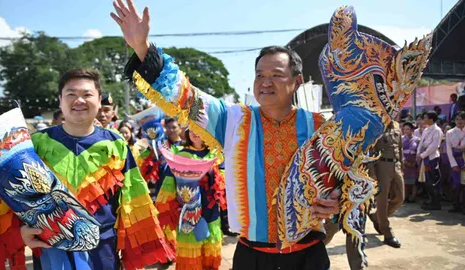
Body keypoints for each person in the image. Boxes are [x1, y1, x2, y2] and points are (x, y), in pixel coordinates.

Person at [110, 1, 339, 269]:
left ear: (297, 82)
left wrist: (338, 203)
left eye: (276, 75)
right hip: (251, 255)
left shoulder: (322, 127)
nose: (266, 82)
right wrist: (142, 47)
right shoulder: (233, 120)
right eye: (260, 75)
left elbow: (349, 179)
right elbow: (184, 95)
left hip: (307, 254)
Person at [20, 68, 174, 269]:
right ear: (60, 100)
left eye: (87, 94)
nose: (79, 100)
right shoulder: (37, 144)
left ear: (99, 100)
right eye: (71, 94)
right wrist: (21, 229)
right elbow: (15, 194)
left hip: (103, 249)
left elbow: (135, 198)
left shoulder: (116, 145)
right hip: (50, 246)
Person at [155, 129, 226, 269]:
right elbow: (169, 183)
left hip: (211, 210)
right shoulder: (180, 156)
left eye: (200, 129)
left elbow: (225, 182)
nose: (195, 132)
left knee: (210, 251)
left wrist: (215, 172)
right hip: (188, 212)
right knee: (190, 256)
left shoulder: (216, 155)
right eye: (191, 129)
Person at [369, 121, 404, 248]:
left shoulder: (396, 125)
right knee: (382, 200)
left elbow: (400, 147)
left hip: (396, 165)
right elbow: (370, 151)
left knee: (400, 197)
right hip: (381, 166)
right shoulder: (375, 126)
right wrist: (372, 173)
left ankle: (376, 217)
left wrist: (401, 165)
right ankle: (387, 232)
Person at [417, 111, 444, 211]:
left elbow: (434, 146)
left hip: (431, 157)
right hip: (424, 157)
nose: (423, 120)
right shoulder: (426, 129)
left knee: (433, 180)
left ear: (431, 119)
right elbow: (421, 142)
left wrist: (422, 155)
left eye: (425, 118)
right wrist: (418, 153)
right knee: (426, 180)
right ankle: (431, 199)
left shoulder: (437, 130)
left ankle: (436, 202)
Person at [445, 111, 465, 214]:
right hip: (455, 160)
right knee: (455, 184)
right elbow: (448, 149)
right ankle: (455, 205)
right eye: (457, 119)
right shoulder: (450, 132)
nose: (459, 121)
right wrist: (454, 164)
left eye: (462, 118)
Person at [402, 122, 420, 203]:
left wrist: (416, 161)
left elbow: (419, 151)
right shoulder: (401, 139)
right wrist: (404, 161)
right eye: (404, 129)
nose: (406, 131)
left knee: (413, 181)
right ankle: (405, 196)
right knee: (405, 180)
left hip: (413, 161)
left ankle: (413, 196)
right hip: (404, 161)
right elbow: (399, 151)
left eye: (408, 129)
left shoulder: (417, 139)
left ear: (412, 130)